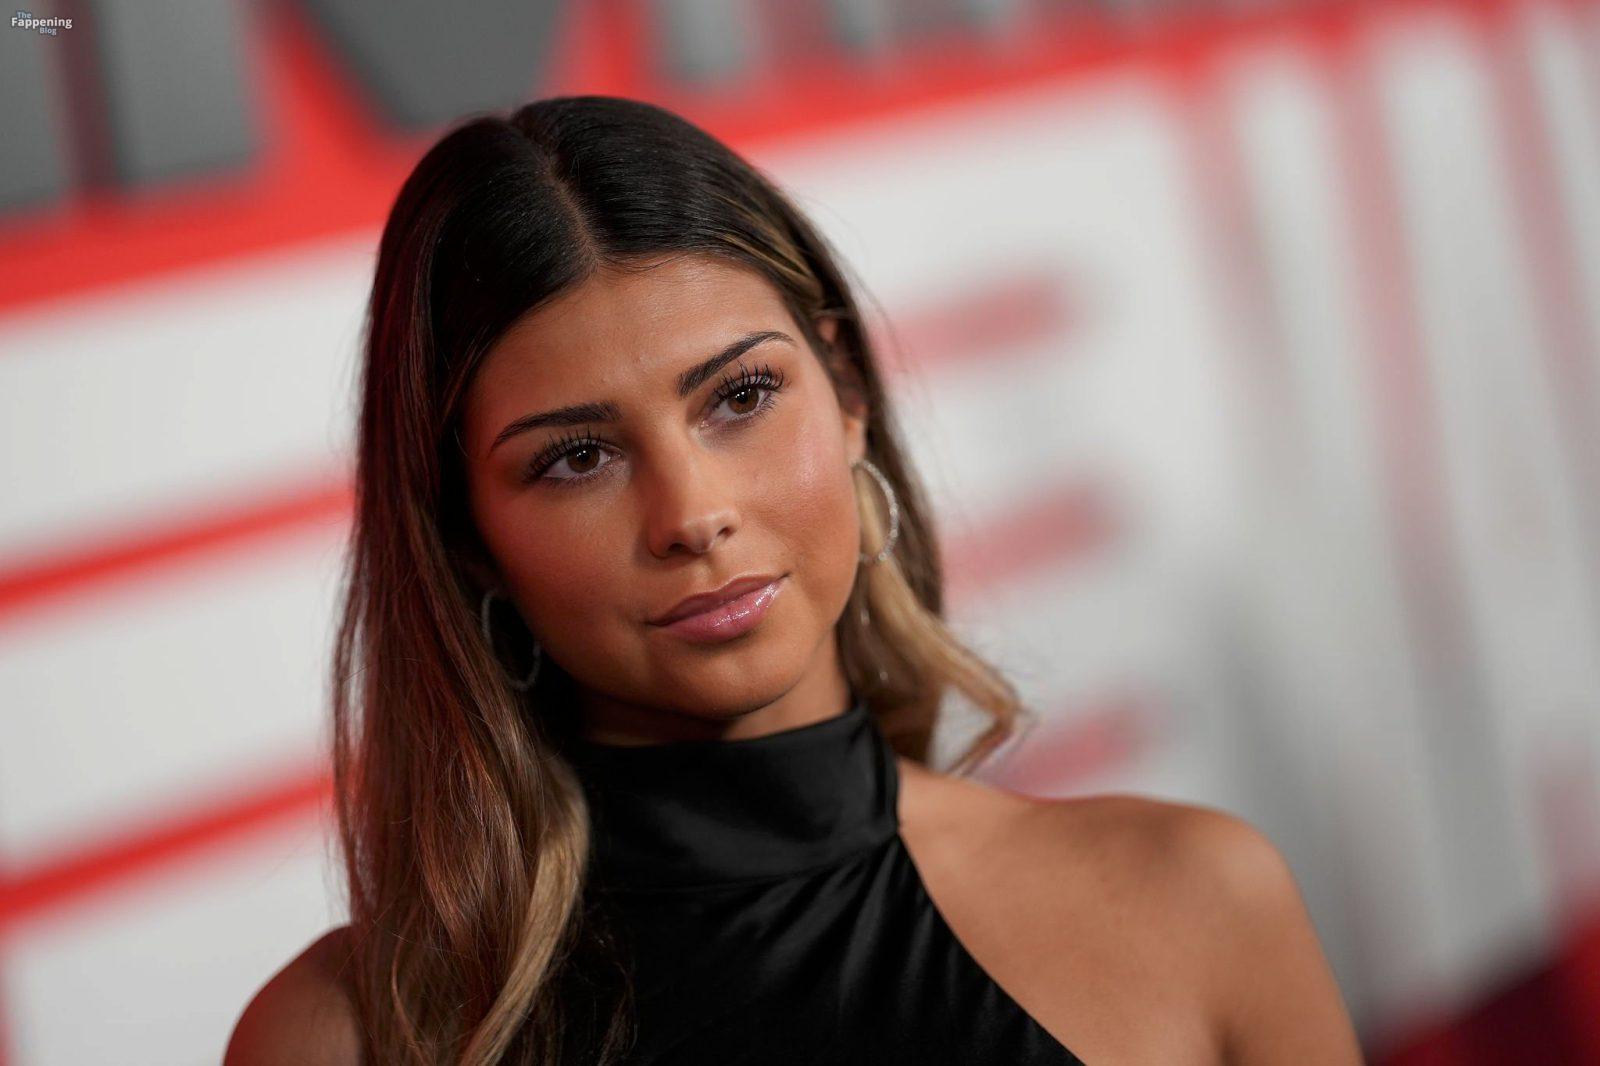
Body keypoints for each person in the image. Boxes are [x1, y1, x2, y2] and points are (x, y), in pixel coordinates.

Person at [224, 94, 1364, 1065]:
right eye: (577, 458)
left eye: (740, 397)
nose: (691, 515)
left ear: (849, 394)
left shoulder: (1196, 898)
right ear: (467, 536)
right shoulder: (349, 1036)